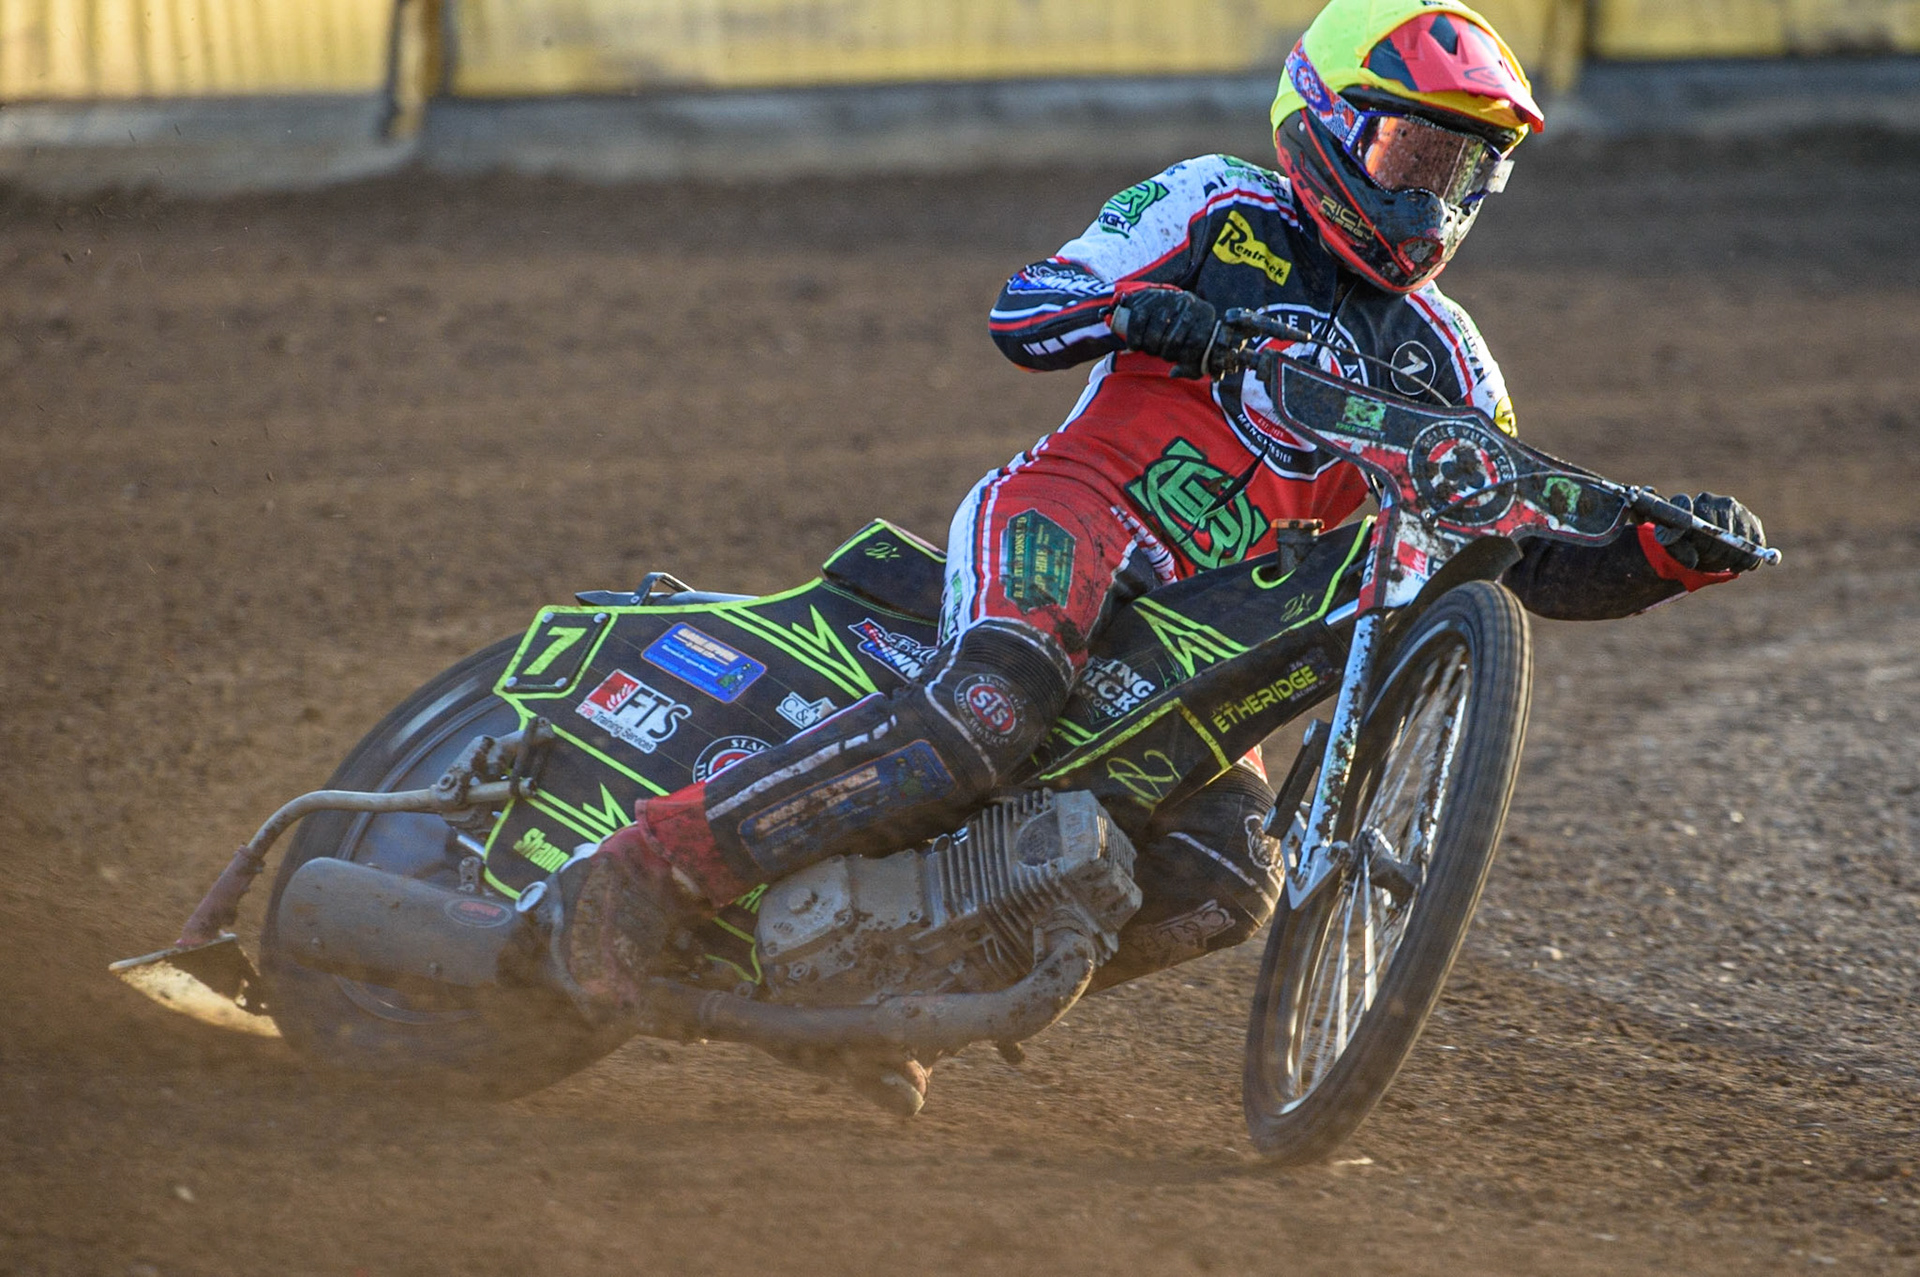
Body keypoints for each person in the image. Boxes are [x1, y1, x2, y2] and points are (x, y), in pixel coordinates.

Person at [539, 0, 1765, 1102]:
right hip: (1075, 516)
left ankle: (885, 1001)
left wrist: (1654, 559)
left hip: (1210, 630)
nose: (1426, 199)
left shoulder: (1451, 360)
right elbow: (1025, 306)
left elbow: (1506, 551)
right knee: (988, 704)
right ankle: (652, 868)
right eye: (1408, 154)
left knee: (1228, 876)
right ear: (1326, 118)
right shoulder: (1218, 205)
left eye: (1461, 171)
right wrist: (1134, 309)